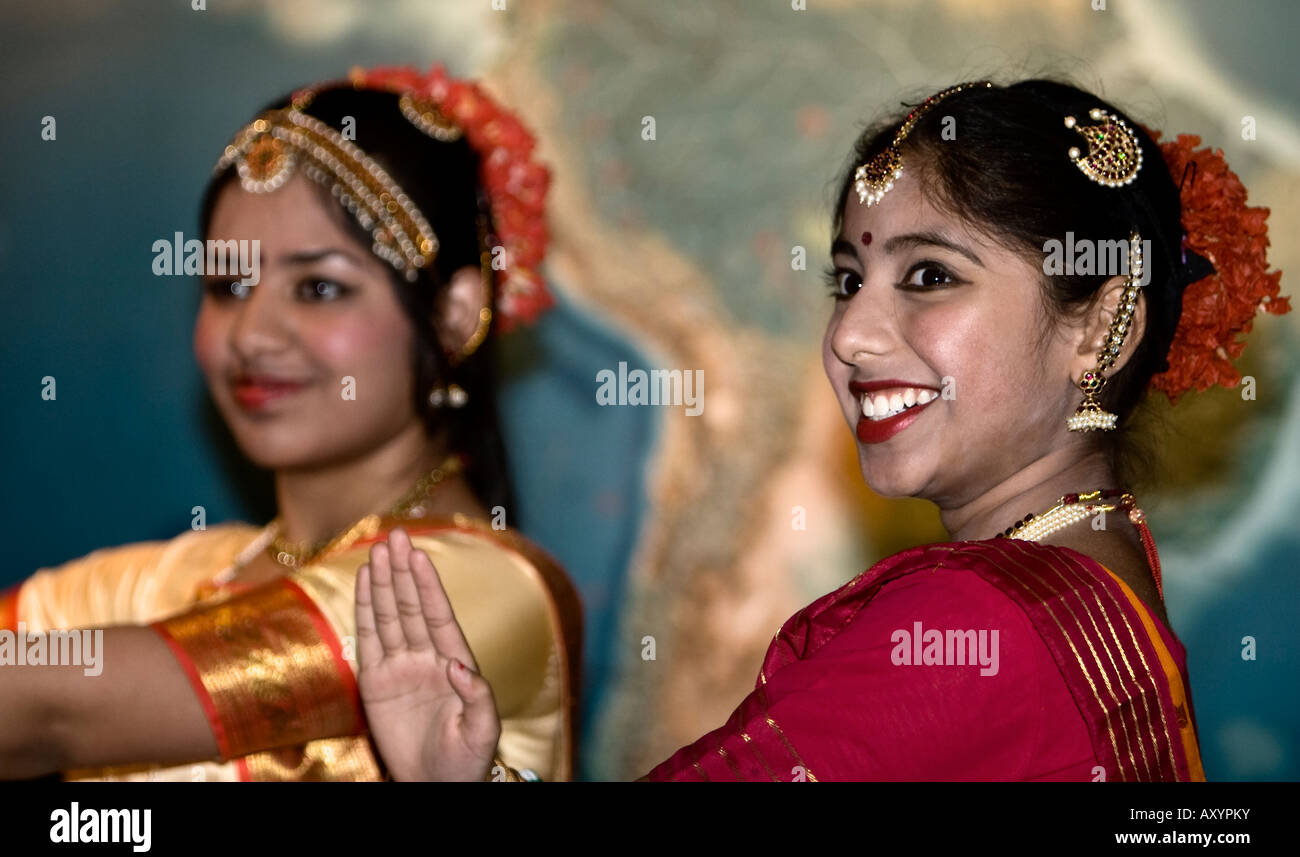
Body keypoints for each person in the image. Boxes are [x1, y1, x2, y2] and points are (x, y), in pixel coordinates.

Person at [353, 79, 1288, 781]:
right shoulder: (1103, 577)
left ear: (1097, 323)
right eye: (849, 280)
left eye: (929, 276)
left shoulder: (978, 624)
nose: (848, 334)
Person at [0, 66, 582, 782]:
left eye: (319, 287)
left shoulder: (470, 591)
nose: (252, 333)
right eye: (229, 286)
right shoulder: (177, 576)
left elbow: (47, 714)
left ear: (454, 314)